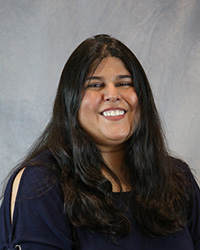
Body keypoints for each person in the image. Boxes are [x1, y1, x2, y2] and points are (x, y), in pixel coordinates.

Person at [0, 34, 200, 250]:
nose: (113, 94)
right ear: (70, 101)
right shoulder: (41, 184)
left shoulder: (177, 179)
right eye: (95, 85)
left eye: (124, 83)